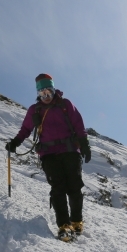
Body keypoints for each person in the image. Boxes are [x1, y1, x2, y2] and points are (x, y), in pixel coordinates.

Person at [6, 73, 91, 242]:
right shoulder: (34, 110)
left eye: (48, 92)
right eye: (42, 93)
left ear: (53, 90)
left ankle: (76, 221)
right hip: (49, 154)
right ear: (38, 94)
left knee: (74, 187)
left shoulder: (66, 105)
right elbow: (25, 130)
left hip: (70, 151)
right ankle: (64, 226)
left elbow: (79, 126)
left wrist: (84, 145)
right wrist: (15, 142)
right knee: (58, 188)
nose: (46, 96)